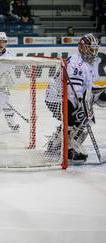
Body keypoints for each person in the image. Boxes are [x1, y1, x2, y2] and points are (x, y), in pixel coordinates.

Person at [45, 33, 100, 164]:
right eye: (90, 48)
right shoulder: (77, 62)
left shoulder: (87, 63)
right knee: (80, 119)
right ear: (82, 48)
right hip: (57, 98)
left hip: (63, 97)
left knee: (84, 119)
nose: (93, 51)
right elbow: (71, 91)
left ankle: (56, 143)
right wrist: (80, 110)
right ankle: (67, 148)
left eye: (95, 48)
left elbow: (87, 88)